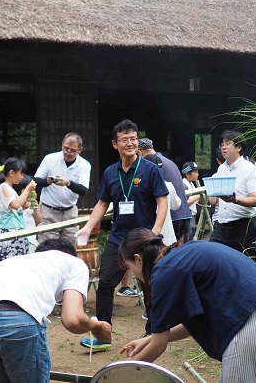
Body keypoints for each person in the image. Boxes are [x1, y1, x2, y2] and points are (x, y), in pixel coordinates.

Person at [119, 228, 256, 383]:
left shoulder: (164, 271)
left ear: (138, 259)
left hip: (253, 317)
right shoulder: (179, 257)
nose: (134, 274)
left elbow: (158, 346)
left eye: (129, 267)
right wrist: (148, 339)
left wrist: (120, 374)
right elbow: (189, 321)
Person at [0, 238, 111, 382]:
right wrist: (97, 327)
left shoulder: (18, 261)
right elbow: (73, 319)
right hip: (15, 320)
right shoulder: (75, 263)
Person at [75, 119, 168, 351]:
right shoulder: (110, 172)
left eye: (134, 139)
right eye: (124, 140)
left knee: (151, 286)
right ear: (115, 144)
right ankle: (103, 335)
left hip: (144, 238)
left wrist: (155, 231)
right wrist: (87, 228)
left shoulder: (151, 170)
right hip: (118, 237)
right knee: (105, 284)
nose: (130, 143)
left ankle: (152, 335)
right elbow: (101, 204)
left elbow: (162, 201)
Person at [209, 130, 256, 260]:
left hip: (243, 226)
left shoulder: (250, 169)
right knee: (215, 260)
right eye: (222, 144)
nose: (223, 147)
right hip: (221, 225)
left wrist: (235, 200)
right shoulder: (221, 169)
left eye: (228, 144)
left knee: (245, 265)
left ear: (239, 147)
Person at [34, 132, 91, 246]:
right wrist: (48, 181)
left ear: (80, 150)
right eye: (66, 148)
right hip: (48, 211)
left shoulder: (84, 165)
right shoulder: (50, 158)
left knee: (69, 249)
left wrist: (68, 183)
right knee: (47, 249)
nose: (68, 152)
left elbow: (83, 190)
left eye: (72, 150)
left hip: (70, 212)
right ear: (62, 145)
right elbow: (36, 181)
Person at [138, 138, 191, 242]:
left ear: (139, 152)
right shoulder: (166, 161)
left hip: (172, 216)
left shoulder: (151, 165)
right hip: (183, 212)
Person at [0, 157, 38, 261]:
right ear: (12, 173)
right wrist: (27, 190)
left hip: (16, 231)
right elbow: (15, 205)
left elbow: (15, 207)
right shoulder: (3, 187)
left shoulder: (10, 189)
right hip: (9, 232)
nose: (22, 177)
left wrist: (24, 206)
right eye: (21, 173)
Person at [142, 154, 181, 246]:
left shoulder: (139, 185)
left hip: (146, 237)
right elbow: (176, 205)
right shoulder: (168, 185)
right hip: (167, 237)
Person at [12, 175, 43, 253]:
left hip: (32, 240)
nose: (31, 192)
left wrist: (36, 210)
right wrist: (22, 208)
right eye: (28, 189)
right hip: (18, 240)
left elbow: (39, 221)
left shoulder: (31, 203)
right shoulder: (14, 204)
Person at [181, 161, 201, 241]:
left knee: (191, 234)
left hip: (192, 214)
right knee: (187, 236)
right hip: (187, 214)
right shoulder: (184, 185)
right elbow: (185, 203)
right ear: (187, 174)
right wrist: (198, 196)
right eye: (195, 172)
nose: (197, 174)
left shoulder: (192, 184)